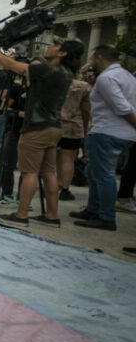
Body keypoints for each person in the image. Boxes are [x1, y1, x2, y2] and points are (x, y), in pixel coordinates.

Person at [0, 36, 83, 227]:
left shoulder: (47, 70)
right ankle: (52, 216)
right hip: (54, 127)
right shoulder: (66, 73)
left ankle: (21, 215)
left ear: (63, 53)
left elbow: (10, 65)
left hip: (36, 128)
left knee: (29, 172)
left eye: (55, 45)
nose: (50, 47)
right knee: (49, 173)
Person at [70, 45, 136, 231]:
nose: (91, 64)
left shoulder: (107, 78)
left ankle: (106, 216)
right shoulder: (127, 76)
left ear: (99, 58)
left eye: (92, 60)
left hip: (108, 132)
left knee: (104, 174)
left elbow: (122, 107)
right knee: (93, 171)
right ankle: (93, 209)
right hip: (119, 133)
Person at [56, 66, 92, 201]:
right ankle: (65, 189)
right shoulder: (83, 87)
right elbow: (86, 110)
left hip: (55, 123)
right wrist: (84, 127)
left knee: (53, 158)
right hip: (73, 126)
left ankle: (53, 184)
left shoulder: (55, 84)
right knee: (68, 159)